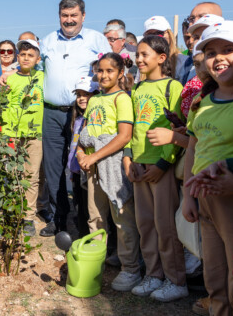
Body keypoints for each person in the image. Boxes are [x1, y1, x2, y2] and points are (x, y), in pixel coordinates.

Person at [182, 21, 233, 316]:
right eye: (211, 52)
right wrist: (187, 194)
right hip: (204, 200)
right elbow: (193, 148)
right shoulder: (203, 102)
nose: (218, 58)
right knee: (214, 276)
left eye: (228, 50)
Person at [40, 0, 112, 237]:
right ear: (59, 16)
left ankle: (85, 222)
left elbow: (110, 70)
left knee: (83, 166)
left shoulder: (96, 40)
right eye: (64, 15)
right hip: (51, 112)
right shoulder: (48, 41)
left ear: (83, 16)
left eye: (73, 15)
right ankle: (58, 219)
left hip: (83, 113)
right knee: (52, 168)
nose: (69, 20)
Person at [128, 35, 188, 302]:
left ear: (161, 58)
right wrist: (129, 160)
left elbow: (178, 129)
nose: (138, 60)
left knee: (165, 225)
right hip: (138, 168)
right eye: (137, 55)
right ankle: (153, 275)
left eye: (144, 55)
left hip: (161, 168)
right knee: (145, 224)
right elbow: (132, 130)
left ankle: (176, 280)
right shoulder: (137, 89)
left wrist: (163, 164)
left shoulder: (173, 87)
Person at [77, 53, 141, 293]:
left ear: (120, 73)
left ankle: (131, 268)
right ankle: (97, 262)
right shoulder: (94, 100)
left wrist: (94, 156)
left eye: (109, 71)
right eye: (100, 71)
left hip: (112, 167)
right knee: (96, 217)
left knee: (122, 218)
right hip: (93, 168)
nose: (103, 75)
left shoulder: (122, 99)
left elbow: (124, 136)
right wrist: (83, 154)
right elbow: (85, 133)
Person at [1, 39, 44, 237]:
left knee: (31, 176)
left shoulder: (43, 77)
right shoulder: (9, 79)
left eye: (31, 55)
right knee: (13, 175)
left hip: (34, 135)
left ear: (38, 59)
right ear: (18, 57)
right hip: (12, 133)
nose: (26, 58)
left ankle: (28, 216)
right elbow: (3, 105)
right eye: (23, 55)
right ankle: (13, 212)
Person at [66, 77, 97, 238]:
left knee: (88, 207)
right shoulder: (77, 119)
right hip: (76, 172)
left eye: (86, 94)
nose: (82, 98)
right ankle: (82, 238)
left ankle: (89, 239)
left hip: (87, 169)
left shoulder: (93, 119)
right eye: (79, 94)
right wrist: (71, 172)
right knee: (78, 207)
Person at [142, 16, 188, 85]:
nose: (156, 37)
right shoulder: (143, 63)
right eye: (150, 35)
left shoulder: (183, 61)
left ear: (169, 34)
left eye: (159, 32)